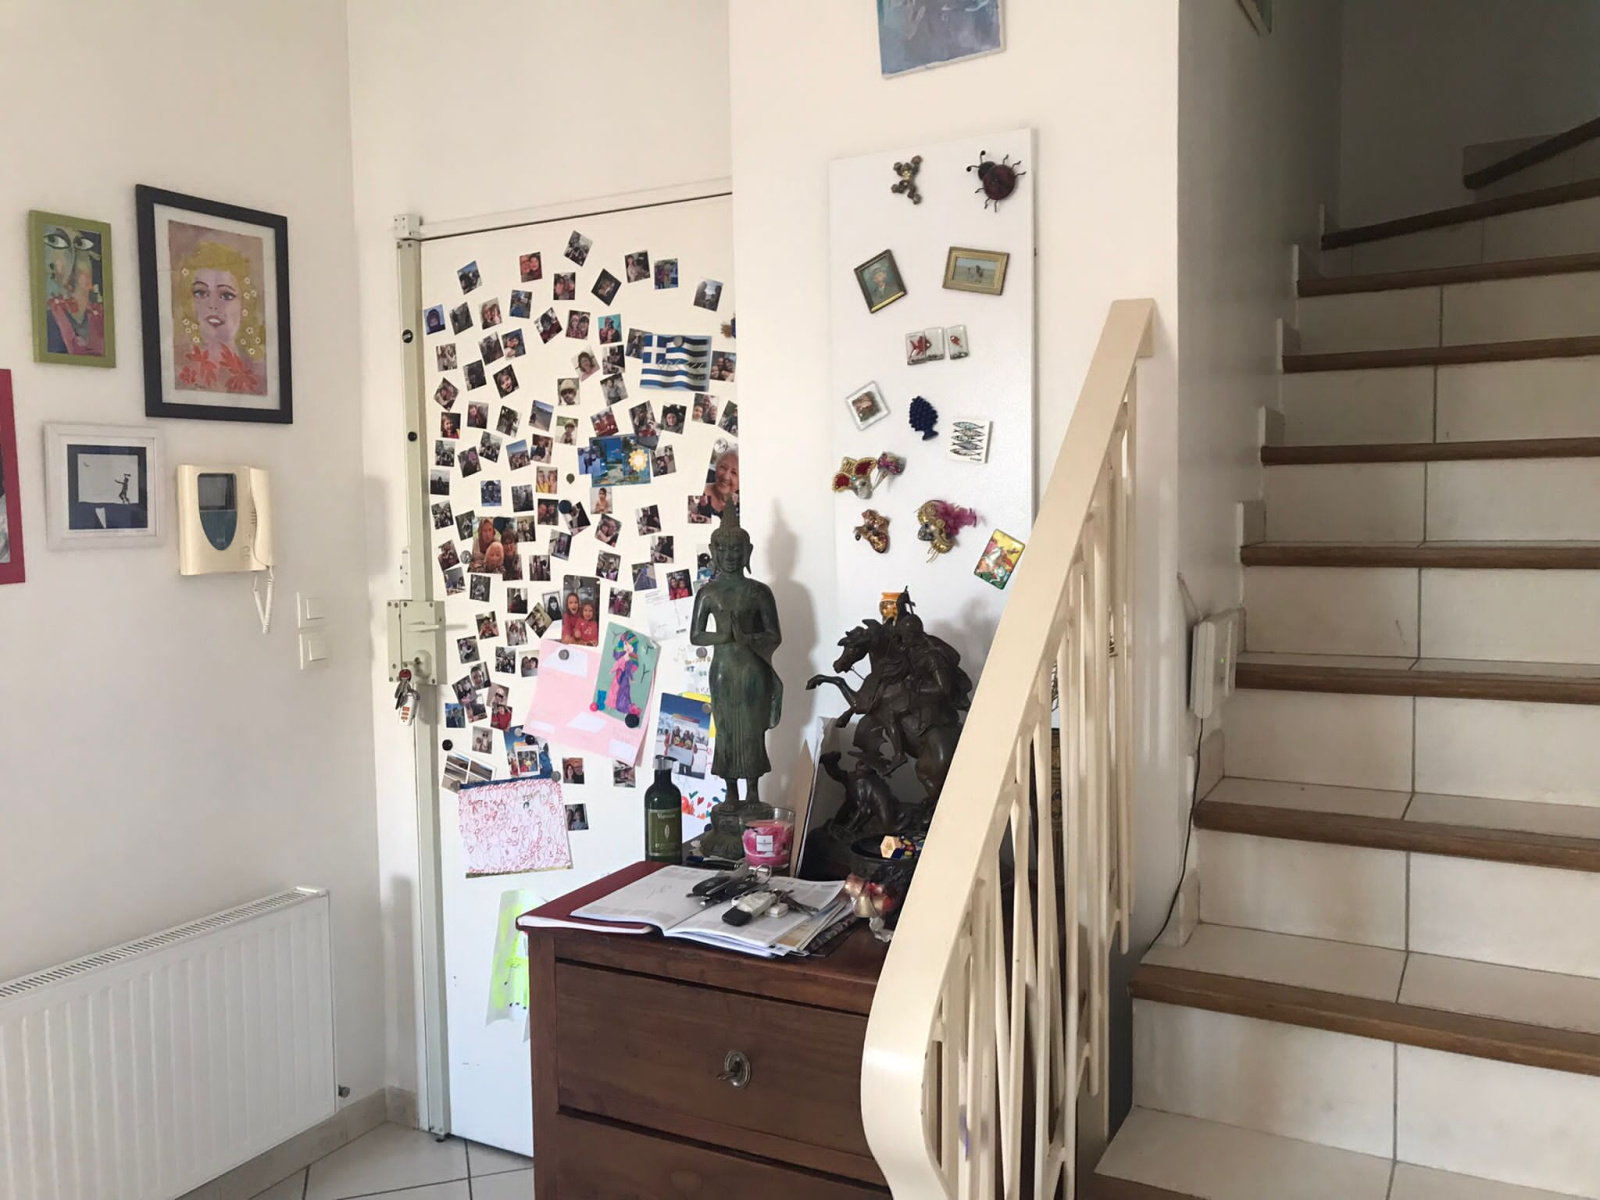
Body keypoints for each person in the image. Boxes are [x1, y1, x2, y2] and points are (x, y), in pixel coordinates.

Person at [174, 239, 266, 395]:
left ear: (245, 305)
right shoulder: (178, 372)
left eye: (226, 295)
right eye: (201, 293)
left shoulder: (261, 376)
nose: (212, 305)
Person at [696, 447, 739, 519]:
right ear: (716, 467)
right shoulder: (698, 492)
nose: (726, 477)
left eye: (734, 472)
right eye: (723, 467)